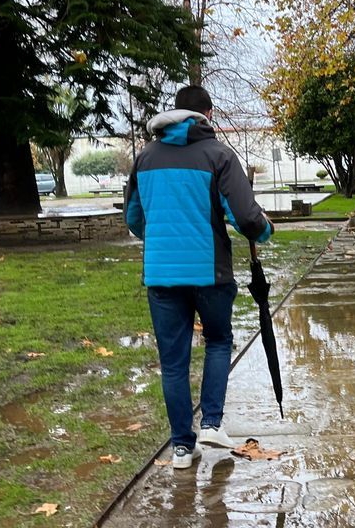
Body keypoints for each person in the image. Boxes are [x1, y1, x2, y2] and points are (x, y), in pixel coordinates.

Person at [124, 85, 274, 470]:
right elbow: (246, 218)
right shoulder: (219, 155)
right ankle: (211, 422)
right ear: (208, 113)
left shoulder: (145, 159)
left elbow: (135, 219)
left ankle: (180, 448)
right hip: (210, 272)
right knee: (219, 340)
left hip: (160, 275)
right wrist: (264, 231)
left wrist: (163, 239)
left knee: (173, 363)